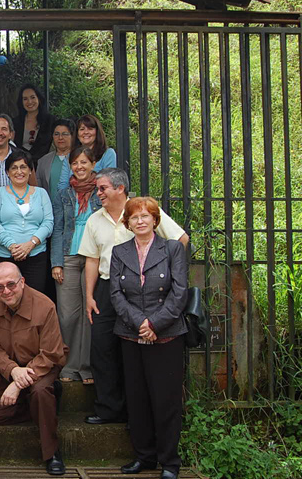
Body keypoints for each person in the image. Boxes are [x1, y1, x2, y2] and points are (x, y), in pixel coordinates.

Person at [78, 168, 189, 426]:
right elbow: (92, 259)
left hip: (144, 292)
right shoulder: (95, 219)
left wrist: (159, 270)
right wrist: (89, 295)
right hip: (108, 289)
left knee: (137, 352)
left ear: (120, 188)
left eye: (102, 188)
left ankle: (136, 412)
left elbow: (180, 239)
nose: (98, 193)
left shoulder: (141, 211)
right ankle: (108, 408)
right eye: (97, 189)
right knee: (102, 348)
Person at [110, 197, 188, 479]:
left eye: (146, 216)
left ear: (155, 220)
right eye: (134, 217)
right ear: (127, 223)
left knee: (166, 401)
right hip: (130, 334)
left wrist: (154, 322)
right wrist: (139, 322)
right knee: (137, 398)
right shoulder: (119, 252)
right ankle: (144, 457)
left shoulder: (172, 249)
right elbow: (116, 295)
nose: (140, 221)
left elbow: (180, 293)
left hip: (165, 335)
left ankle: (169, 462)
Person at [0, 262, 68, 476]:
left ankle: (52, 453)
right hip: (9, 369)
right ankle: (44, 406)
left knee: (39, 392)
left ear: (22, 282)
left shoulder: (45, 305)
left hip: (42, 366)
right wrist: (13, 372)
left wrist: (18, 385)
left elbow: (50, 353)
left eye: (11, 284)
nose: (6, 291)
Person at [50, 147, 101, 384]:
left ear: (93, 164)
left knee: (89, 314)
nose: (79, 167)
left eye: (83, 162)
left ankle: (87, 367)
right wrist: (56, 263)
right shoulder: (63, 195)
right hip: (69, 257)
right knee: (68, 314)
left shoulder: (102, 192)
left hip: (95, 258)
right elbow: (58, 229)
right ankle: (68, 366)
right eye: (75, 163)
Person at [0, 148, 52, 293]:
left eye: (23, 167)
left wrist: (30, 244)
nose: (19, 171)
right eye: (14, 168)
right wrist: (12, 246)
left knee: (34, 300)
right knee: (5, 299)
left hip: (36, 256)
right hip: (3, 256)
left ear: (30, 170)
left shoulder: (41, 194)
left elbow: (48, 223)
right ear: (7, 172)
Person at [57, 114, 117, 191]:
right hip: (72, 200)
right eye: (82, 129)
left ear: (97, 132)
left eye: (90, 129)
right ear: (77, 134)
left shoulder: (108, 154)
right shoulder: (69, 156)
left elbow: (109, 183)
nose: (86, 132)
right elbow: (63, 185)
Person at [12, 83, 54, 166]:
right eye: (25, 99)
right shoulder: (15, 122)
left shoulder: (50, 121)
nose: (29, 102)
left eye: (33, 97)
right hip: (20, 167)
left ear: (39, 98)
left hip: (44, 166)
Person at [37, 118, 76, 203]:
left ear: (72, 136)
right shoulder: (43, 161)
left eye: (65, 134)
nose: (60, 138)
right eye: (56, 134)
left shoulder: (80, 158)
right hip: (50, 210)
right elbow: (38, 189)